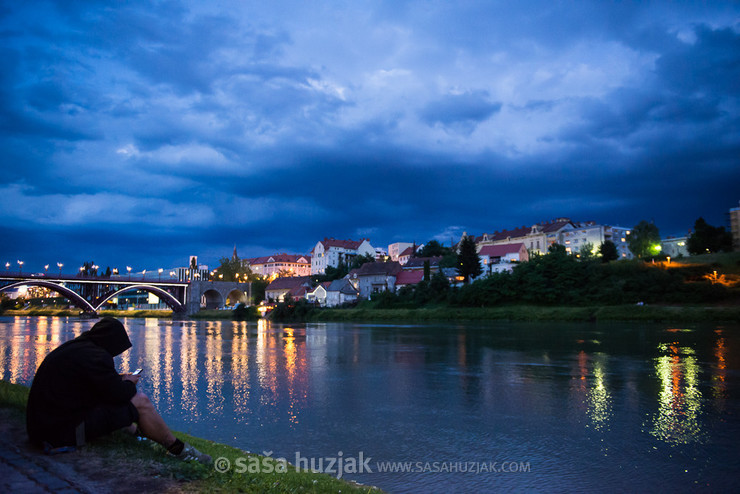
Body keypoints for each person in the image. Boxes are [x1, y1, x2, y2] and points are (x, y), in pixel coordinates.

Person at [26, 317, 211, 463]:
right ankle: (178, 449)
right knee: (140, 401)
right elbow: (121, 395)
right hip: (63, 436)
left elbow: (93, 386)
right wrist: (130, 382)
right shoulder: (97, 356)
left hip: (41, 430)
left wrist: (118, 379)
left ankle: (139, 436)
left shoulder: (77, 348)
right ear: (112, 342)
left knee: (113, 399)